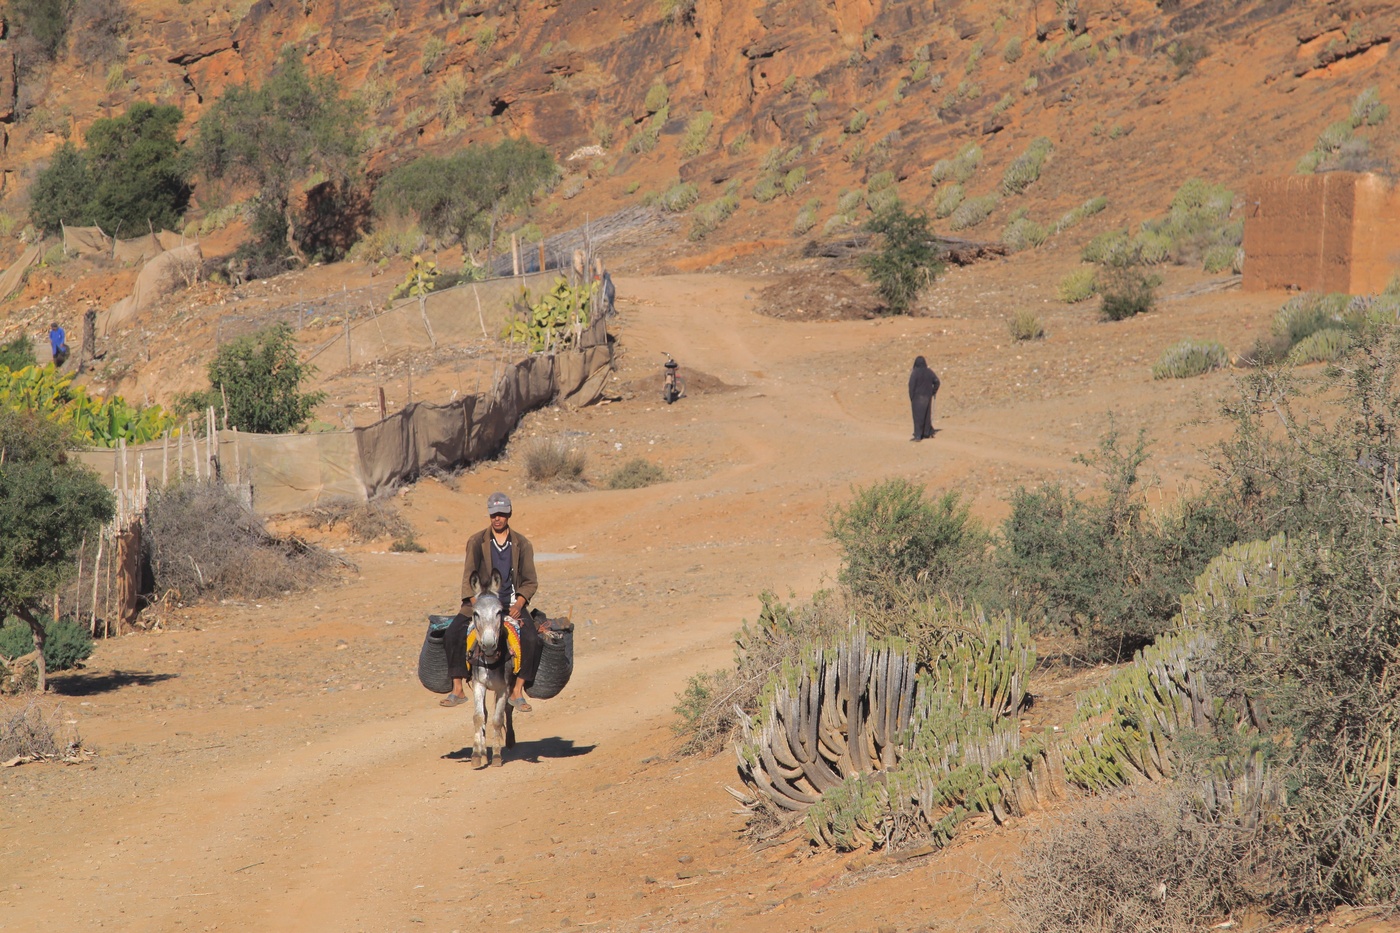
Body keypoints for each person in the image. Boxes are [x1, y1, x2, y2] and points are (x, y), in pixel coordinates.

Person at [440, 492, 543, 711]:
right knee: (452, 633)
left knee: (532, 639)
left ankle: (518, 690)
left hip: (511, 604)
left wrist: (518, 605)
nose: (498, 518)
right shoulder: (476, 541)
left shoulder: (522, 544)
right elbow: (468, 578)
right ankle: (457, 687)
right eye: (494, 514)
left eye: (502, 514)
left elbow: (530, 581)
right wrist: (478, 605)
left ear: (509, 514)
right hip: (479, 603)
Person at [908, 356, 940, 441]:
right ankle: (926, 433)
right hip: (927, 397)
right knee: (926, 415)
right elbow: (937, 381)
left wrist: (911, 397)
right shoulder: (929, 372)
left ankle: (918, 435)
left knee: (918, 417)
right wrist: (933, 392)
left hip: (917, 398)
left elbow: (911, 385)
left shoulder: (915, 373)